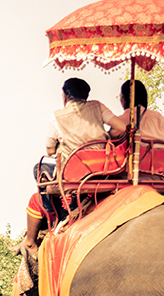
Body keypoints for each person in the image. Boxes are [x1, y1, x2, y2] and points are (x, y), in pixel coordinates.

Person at [12, 78, 127, 254]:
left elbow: (50, 150)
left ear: (64, 96)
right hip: (104, 168)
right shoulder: (97, 106)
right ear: (87, 96)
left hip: (75, 172)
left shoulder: (57, 117)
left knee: (38, 168)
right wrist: (106, 137)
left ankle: (56, 215)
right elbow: (121, 127)